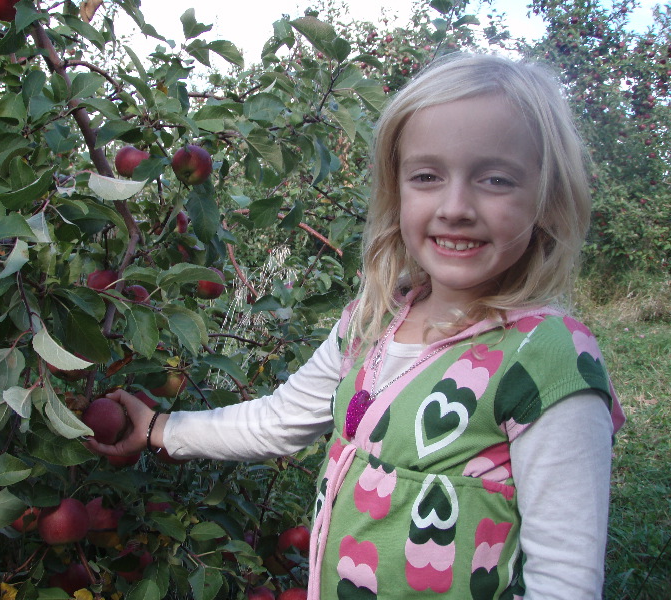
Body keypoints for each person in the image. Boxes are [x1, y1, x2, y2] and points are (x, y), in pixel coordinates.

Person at [86, 53, 625, 599]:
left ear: (547, 199)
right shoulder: (370, 323)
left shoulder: (545, 355)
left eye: (495, 179)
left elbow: (565, 580)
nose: (456, 206)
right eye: (427, 176)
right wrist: (161, 430)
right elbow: (280, 418)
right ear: (398, 191)